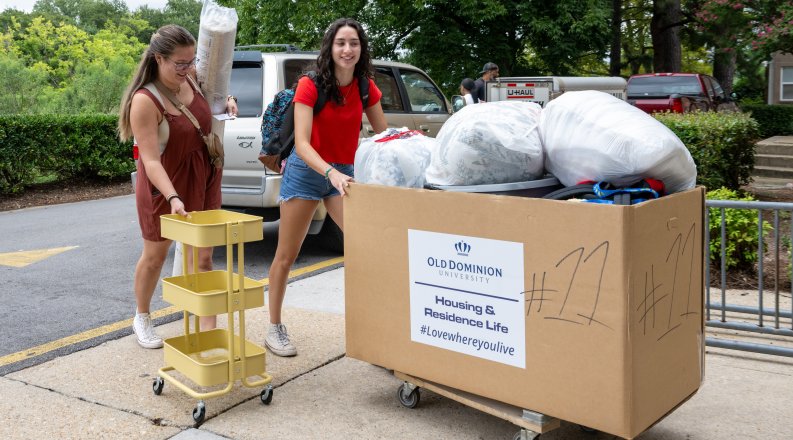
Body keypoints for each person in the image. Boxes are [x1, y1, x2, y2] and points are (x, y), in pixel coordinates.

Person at [264, 17, 388, 357]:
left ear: (362, 49)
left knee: (366, 246)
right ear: (330, 48)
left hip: (343, 174)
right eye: (341, 43)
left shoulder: (365, 87)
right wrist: (329, 172)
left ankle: (376, 324)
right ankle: (274, 327)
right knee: (287, 255)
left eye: (354, 43)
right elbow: (302, 144)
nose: (347, 49)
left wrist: (410, 147)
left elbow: (383, 136)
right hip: (307, 170)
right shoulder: (311, 84)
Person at [117, 24, 238, 349]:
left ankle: (208, 332)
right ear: (159, 58)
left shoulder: (193, 78)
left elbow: (213, 101)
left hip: (204, 177)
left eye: (191, 61)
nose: (188, 69)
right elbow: (151, 161)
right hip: (163, 187)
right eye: (180, 64)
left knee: (204, 259)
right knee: (156, 255)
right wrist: (172, 196)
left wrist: (228, 101)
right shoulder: (145, 101)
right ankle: (142, 316)